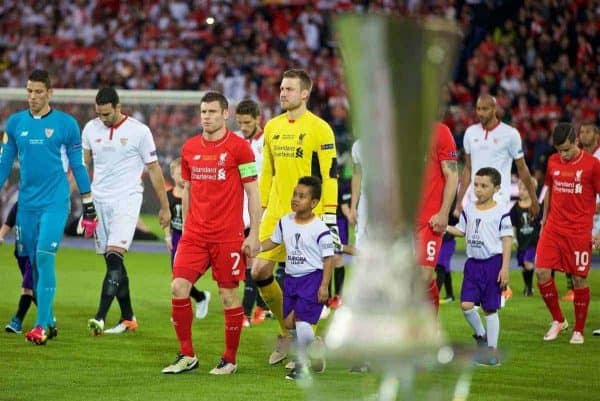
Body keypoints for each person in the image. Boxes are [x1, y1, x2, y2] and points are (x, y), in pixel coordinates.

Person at [161, 91, 261, 375]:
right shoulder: (190, 147)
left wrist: (253, 233)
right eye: (203, 112)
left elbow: (253, 191)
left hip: (228, 236)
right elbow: (189, 189)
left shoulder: (240, 148)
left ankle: (229, 359)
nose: (207, 117)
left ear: (225, 114)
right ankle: (186, 355)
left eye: (213, 112)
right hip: (195, 235)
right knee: (178, 287)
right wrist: (186, 225)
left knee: (228, 297)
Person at [0, 69, 95, 345]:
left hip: (55, 203)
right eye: (29, 91)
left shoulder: (66, 124)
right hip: (26, 205)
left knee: (43, 257)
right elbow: (5, 163)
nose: (32, 97)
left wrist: (88, 202)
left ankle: (40, 326)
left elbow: (78, 165)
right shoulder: (15, 123)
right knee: (32, 261)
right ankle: (50, 320)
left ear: (50, 93)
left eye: (38, 92)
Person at [251, 69, 339, 365]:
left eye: (289, 89)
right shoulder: (272, 127)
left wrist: (328, 214)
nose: (282, 93)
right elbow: (267, 172)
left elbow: (330, 174)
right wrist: (262, 209)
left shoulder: (320, 128)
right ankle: (289, 336)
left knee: (305, 278)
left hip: (307, 215)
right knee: (259, 271)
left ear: (305, 93)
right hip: (276, 212)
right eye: (281, 88)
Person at [84, 87, 171, 336]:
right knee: (114, 265)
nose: (103, 119)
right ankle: (128, 318)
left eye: (107, 114)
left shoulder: (139, 131)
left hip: (127, 199)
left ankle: (99, 317)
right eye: (99, 114)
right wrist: (79, 199)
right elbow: (84, 164)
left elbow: (154, 170)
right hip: (99, 201)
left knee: (114, 258)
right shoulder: (90, 129)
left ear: (118, 107)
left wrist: (164, 207)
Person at [454, 94, 539, 304]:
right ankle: (488, 286)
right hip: (475, 199)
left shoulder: (510, 134)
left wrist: (534, 198)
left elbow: (522, 168)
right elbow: (468, 169)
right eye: (478, 108)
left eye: (485, 109)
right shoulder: (470, 133)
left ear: (495, 109)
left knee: (498, 242)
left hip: (499, 200)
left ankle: (502, 284)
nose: (480, 113)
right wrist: (458, 201)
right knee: (477, 245)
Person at [260, 176, 334, 380]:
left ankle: (301, 367)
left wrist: (324, 286)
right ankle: (316, 348)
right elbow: (273, 242)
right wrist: (256, 248)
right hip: (291, 279)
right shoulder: (285, 221)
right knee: (289, 323)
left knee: (301, 322)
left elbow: (328, 259)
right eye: (294, 194)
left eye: (301, 196)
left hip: (312, 279)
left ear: (313, 203)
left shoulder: (320, 229)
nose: (295, 199)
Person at [535, 123, 600, 345]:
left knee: (578, 279)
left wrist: (598, 231)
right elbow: (550, 191)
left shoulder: (593, 165)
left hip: (579, 231)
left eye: (566, 149)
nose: (562, 154)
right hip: (553, 227)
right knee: (542, 272)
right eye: (559, 150)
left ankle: (579, 330)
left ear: (576, 142)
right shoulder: (553, 162)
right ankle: (559, 320)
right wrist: (544, 222)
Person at [447, 167, 513, 366]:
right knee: (466, 305)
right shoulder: (469, 208)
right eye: (476, 185)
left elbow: (507, 239)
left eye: (484, 186)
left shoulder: (501, 210)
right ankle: (481, 336)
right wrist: (444, 227)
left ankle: (491, 352)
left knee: (490, 309)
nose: (478, 189)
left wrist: (505, 268)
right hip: (472, 265)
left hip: (493, 264)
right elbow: (461, 230)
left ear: (496, 188)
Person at [235, 99, 272, 327]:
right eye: (239, 122)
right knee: (247, 261)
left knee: (256, 259)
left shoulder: (268, 141)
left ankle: (246, 313)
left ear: (258, 119)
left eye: (247, 123)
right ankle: (261, 306)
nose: (243, 127)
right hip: (239, 206)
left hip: (262, 207)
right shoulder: (236, 139)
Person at [415, 122, 458, 313]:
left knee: (424, 275)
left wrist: (443, 213)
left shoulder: (441, 132)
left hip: (429, 220)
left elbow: (452, 175)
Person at [165, 158, 211, 320]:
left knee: (181, 276)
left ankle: (187, 305)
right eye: (179, 174)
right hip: (176, 236)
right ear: (172, 175)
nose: (182, 177)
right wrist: (167, 235)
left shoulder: (194, 195)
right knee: (176, 276)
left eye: (184, 174)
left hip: (191, 236)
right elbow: (165, 217)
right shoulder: (168, 196)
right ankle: (198, 298)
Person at [1, 202, 35, 333]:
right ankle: (48, 317)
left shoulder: (44, 204)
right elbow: (9, 222)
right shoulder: (20, 203)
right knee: (34, 287)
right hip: (21, 250)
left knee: (27, 285)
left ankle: (17, 321)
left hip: (37, 250)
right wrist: (1, 235)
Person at [510, 178, 541, 297]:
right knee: (524, 265)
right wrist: (514, 238)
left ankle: (528, 289)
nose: (521, 192)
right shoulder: (515, 208)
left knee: (528, 262)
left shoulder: (536, 206)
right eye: (520, 189)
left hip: (533, 241)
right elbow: (513, 225)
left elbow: (541, 222)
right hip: (522, 241)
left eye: (524, 189)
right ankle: (528, 286)